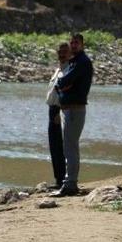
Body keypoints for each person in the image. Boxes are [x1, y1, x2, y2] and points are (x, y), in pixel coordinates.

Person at [50, 33, 94, 196]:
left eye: (76, 43)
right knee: (69, 146)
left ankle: (70, 184)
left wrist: (62, 86)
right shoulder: (75, 61)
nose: (73, 45)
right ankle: (69, 182)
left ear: (82, 45)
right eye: (72, 43)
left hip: (75, 109)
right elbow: (62, 85)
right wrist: (63, 87)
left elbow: (64, 82)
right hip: (69, 108)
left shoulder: (82, 62)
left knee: (70, 147)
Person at [45, 43, 71, 188]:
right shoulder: (58, 70)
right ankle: (58, 179)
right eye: (60, 52)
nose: (61, 54)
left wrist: (60, 112)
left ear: (70, 54)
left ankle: (64, 180)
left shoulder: (69, 70)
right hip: (52, 109)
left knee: (61, 146)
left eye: (64, 52)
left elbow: (66, 93)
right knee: (54, 146)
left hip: (60, 110)